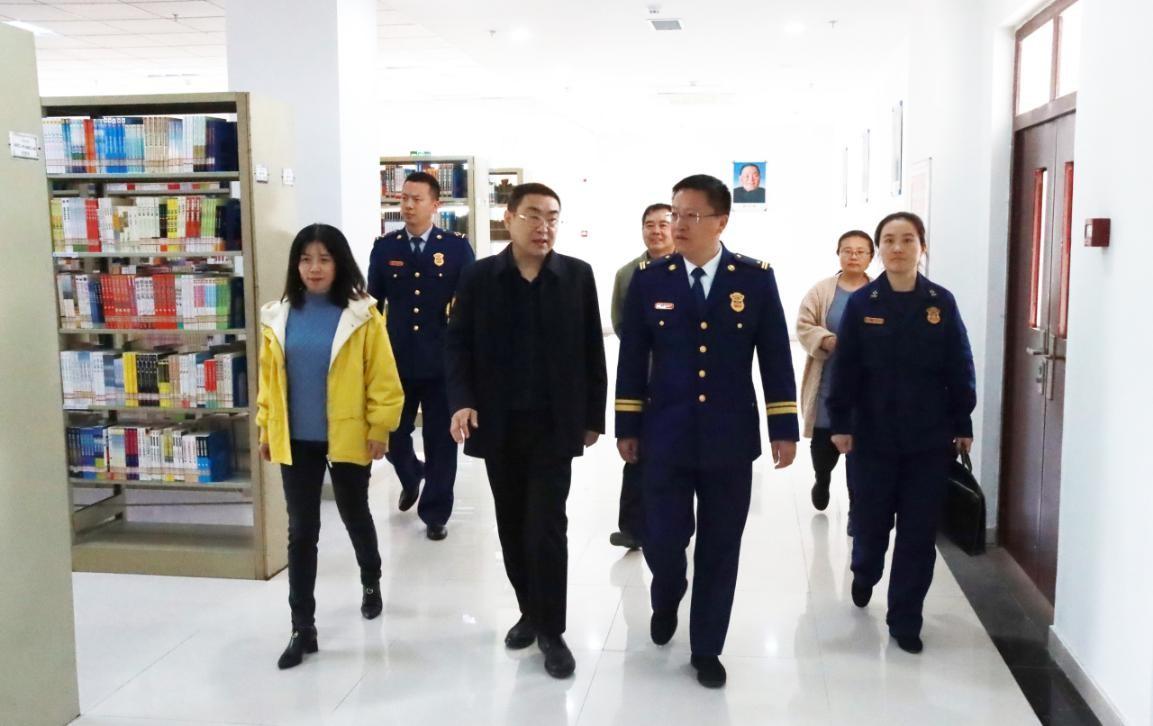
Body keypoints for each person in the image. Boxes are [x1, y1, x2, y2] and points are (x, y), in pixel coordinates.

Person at [615, 174, 798, 688]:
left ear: (721, 222)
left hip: (729, 438)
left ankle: (707, 646)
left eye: (691, 215)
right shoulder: (651, 280)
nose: (677, 224)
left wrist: (784, 426)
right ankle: (666, 594)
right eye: (674, 214)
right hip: (665, 435)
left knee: (721, 546)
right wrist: (627, 423)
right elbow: (632, 358)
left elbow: (775, 357)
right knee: (663, 538)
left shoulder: (754, 279)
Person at [445, 182, 607, 679]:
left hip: (555, 426)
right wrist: (462, 401)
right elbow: (458, 345)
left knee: (546, 526)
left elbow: (592, 349)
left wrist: (593, 417)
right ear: (509, 218)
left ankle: (552, 630)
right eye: (533, 215)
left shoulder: (576, 276)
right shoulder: (479, 277)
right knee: (512, 525)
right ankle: (529, 611)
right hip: (499, 424)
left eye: (552, 218)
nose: (544, 227)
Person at [827, 211, 976, 655]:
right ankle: (864, 570)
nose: (897, 248)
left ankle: (906, 617)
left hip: (928, 438)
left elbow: (959, 365)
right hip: (871, 436)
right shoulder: (863, 302)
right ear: (880, 249)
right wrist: (840, 423)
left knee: (918, 532)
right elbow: (846, 368)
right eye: (889, 240)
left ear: (921, 247)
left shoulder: (940, 302)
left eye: (907, 239)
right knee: (871, 523)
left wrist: (962, 422)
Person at [257, 223, 404, 670]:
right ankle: (302, 627)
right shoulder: (279, 316)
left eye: (324, 259)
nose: (314, 268)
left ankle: (371, 579)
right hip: (295, 438)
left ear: (339, 263)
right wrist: (266, 427)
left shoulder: (362, 315)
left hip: (349, 434)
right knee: (301, 531)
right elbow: (269, 381)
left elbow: (383, 378)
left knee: (353, 512)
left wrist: (380, 428)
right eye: (306, 259)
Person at [367, 171, 475, 540]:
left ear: (435, 205)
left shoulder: (456, 248)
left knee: (441, 441)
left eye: (417, 199)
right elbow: (373, 304)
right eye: (404, 198)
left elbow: (470, 305)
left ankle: (435, 513)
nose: (408, 206)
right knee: (392, 433)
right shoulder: (386, 248)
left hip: (443, 360)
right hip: (396, 360)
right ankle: (412, 473)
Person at [607, 202, 674, 551]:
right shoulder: (628, 273)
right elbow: (621, 323)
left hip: (680, 378)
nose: (657, 231)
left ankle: (673, 523)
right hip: (642, 377)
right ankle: (632, 528)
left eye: (664, 224)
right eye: (650, 225)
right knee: (636, 451)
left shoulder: (688, 268)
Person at [796, 230, 873, 530]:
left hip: (866, 388)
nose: (853, 256)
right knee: (823, 445)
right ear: (838, 254)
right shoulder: (822, 291)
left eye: (860, 251)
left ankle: (857, 510)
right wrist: (827, 340)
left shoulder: (878, 292)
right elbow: (804, 325)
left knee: (861, 454)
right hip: (828, 378)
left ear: (870, 257)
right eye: (847, 250)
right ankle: (822, 478)